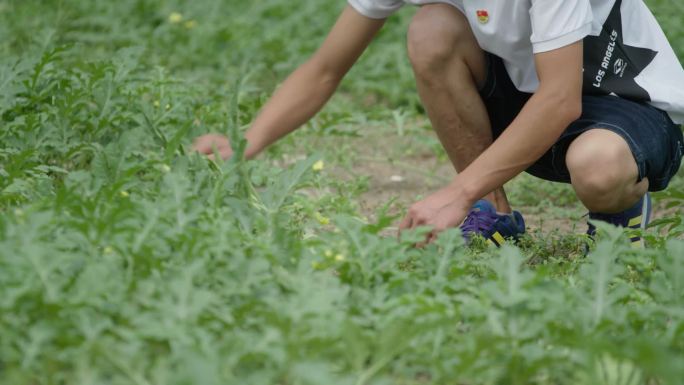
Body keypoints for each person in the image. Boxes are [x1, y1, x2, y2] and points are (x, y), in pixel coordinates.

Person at [193, 0, 684, 246]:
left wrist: (454, 192)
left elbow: (560, 102)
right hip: (529, 102)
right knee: (432, 30)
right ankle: (495, 218)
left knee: (597, 166)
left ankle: (618, 219)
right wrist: (244, 143)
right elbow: (325, 68)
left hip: (628, 106)